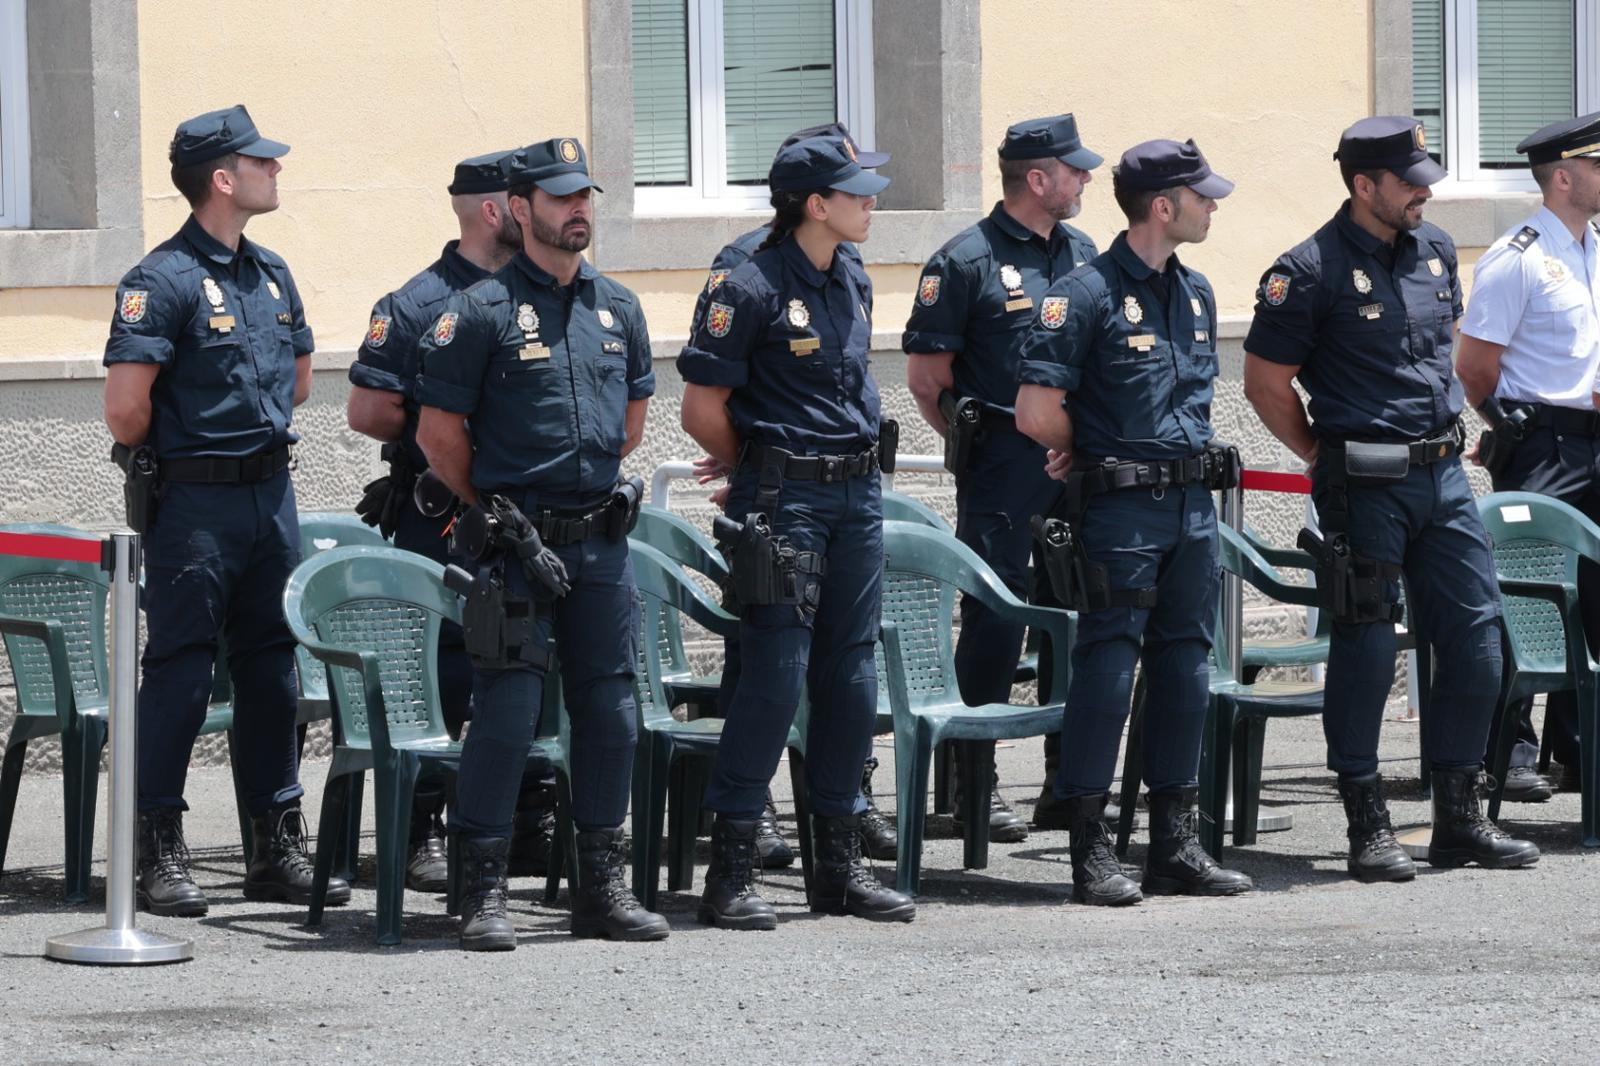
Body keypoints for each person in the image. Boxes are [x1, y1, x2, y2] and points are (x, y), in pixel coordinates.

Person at [1242, 116, 1540, 882]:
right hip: (1364, 484)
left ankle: (1458, 818)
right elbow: (1266, 384)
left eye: (1427, 178)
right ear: (1362, 185)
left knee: (1478, 643)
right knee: (1367, 647)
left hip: (1442, 478)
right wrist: (1318, 455)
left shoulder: (1437, 251)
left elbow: (1447, 359)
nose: (1425, 191)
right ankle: (1366, 822)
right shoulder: (1305, 271)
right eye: (1409, 181)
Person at [415, 136, 666, 950]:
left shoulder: (618, 306)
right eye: (561, 198)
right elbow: (439, 434)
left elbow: (631, 424)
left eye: (585, 194)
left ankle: (602, 886)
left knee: (613, 713)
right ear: (520, 210)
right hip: (515, 547)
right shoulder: (480, 311)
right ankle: (480, 890)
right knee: (509, 715)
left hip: (599, 544)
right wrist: (493, 511)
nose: (578, 209)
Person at [103, 104, 350, 915]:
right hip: (195, 501)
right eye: (261, 162)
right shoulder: (160, 280)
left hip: (268, 492)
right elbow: (125, 410)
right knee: (179, 666)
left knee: (273, 664)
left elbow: (301, 379)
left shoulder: (271, 272)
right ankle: (156, 846)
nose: (275, 170)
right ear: (222, 178)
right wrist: (193, 453)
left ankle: (275, 842)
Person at [679, 130, 916, 929]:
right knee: (776, 673)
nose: (871, 201)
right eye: (857, 190)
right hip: (786, 503)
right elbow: (701, 407)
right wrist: (753, 468)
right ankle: (733, 867)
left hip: (855, 496)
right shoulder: (745, 283)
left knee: (852, 676)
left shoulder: (850, 271)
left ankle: (839, 868)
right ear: (817, 204)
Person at [1014, 138, 1253, 906]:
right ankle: (1089, 845)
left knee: (1187, 664)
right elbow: (1036, 410)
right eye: (1201, 195)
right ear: (1162, 205)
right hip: (1119, 510)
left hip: (1190, 509)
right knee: (1109, 663)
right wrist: (1089, 449)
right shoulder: (1080, 294)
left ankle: (1174, 843)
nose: (1212, 205)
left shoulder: (1197, 292)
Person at [346, 149, 561, 892]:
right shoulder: (418, 301)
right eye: (525, 198)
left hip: (530, 516)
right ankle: (422, 829)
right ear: (499, 211)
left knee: (530, 658)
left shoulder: (543, 291)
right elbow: (369, 408)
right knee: (443, 666)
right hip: (445, 515)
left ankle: (529, 816)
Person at [903, 113, 1102, 842]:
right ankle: (969, 787)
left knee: (1072, 614)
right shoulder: (965, 261)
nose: (1086, 180)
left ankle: (1065, 779)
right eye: (1075, 170)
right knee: (995, 618)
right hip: (1002, 467)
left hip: (1073, 464)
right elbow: (929, 382)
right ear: (1038, 178)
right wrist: (983, 445)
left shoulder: (1083, 252)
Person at [1456, 110, 1600, 801]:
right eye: (1599, 166)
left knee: (1594, 596)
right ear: (1564, 176)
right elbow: (1475, 366)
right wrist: (1509, 427)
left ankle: (1579, 748)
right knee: (1523, 592)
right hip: (1542, 440)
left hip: (1595, 438)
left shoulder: (1594, 247)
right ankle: (1507, 751)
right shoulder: (1517, 258)